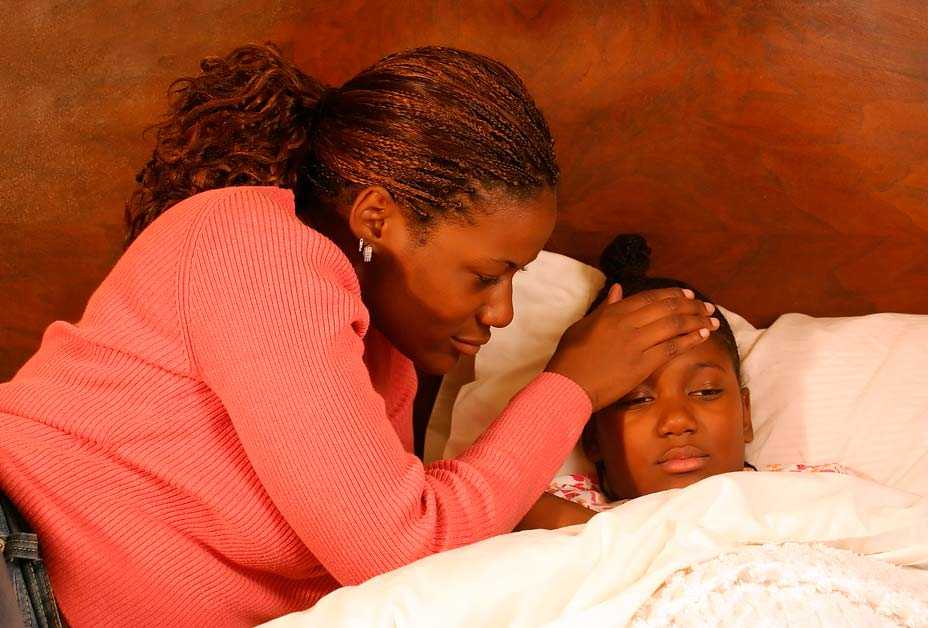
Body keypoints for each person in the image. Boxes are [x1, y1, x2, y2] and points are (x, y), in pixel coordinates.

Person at [0, 45, 717, 626]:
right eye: (486, 274)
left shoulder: (381, 360)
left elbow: (389, 535)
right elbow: (400, 546)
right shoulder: (259, 248)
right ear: (378, 218)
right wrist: (572, 385)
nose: (501, 313)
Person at [548, 234, 858, 512]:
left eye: (706, 391)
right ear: (592, 436)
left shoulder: (822, 496)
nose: (678, 421)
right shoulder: (559, 515)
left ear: (745, 415)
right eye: (637, 399)